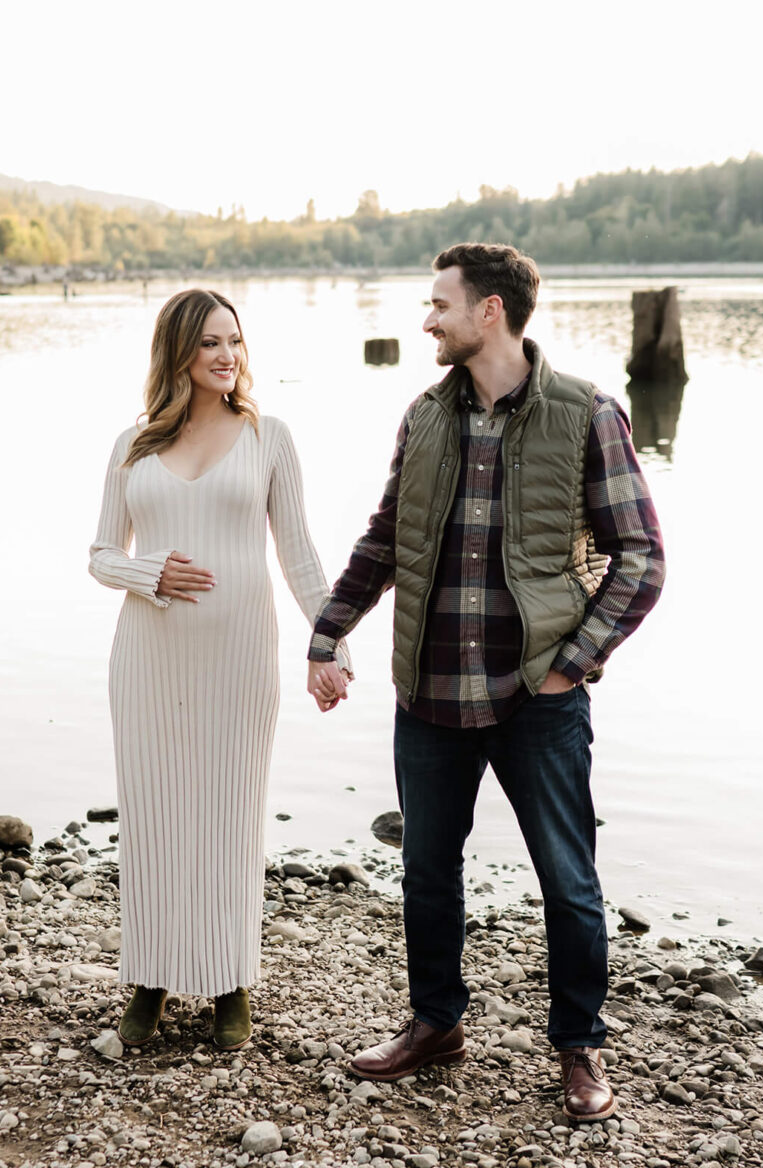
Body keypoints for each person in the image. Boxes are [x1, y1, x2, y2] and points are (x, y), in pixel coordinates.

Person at [305, 243, 665, 1122]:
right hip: (428, 693)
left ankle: (579, 1048)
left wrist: (571, 665)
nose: (426, 319)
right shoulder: (424, 416)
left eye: (439, 304)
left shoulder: (586, 414)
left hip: (535, 698)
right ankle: (436, 1024)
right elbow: (386, 539)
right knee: (428, 871)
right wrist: (327, 630)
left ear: (490, 311)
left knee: (567, 878)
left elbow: (641, 559)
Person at [89, 288, 350, 1051]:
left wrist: (330, 640)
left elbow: (298, 553)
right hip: (148, 657)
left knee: (230, 813)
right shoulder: (132, 445)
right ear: (177, 351)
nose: (227, 355)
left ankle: (232, 982)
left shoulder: (269, 438)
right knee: (153, 816)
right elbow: (101, 553)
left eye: (234, 341)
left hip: (239, 658)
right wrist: (149, 573)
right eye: (209, 342)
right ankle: (149, 980)